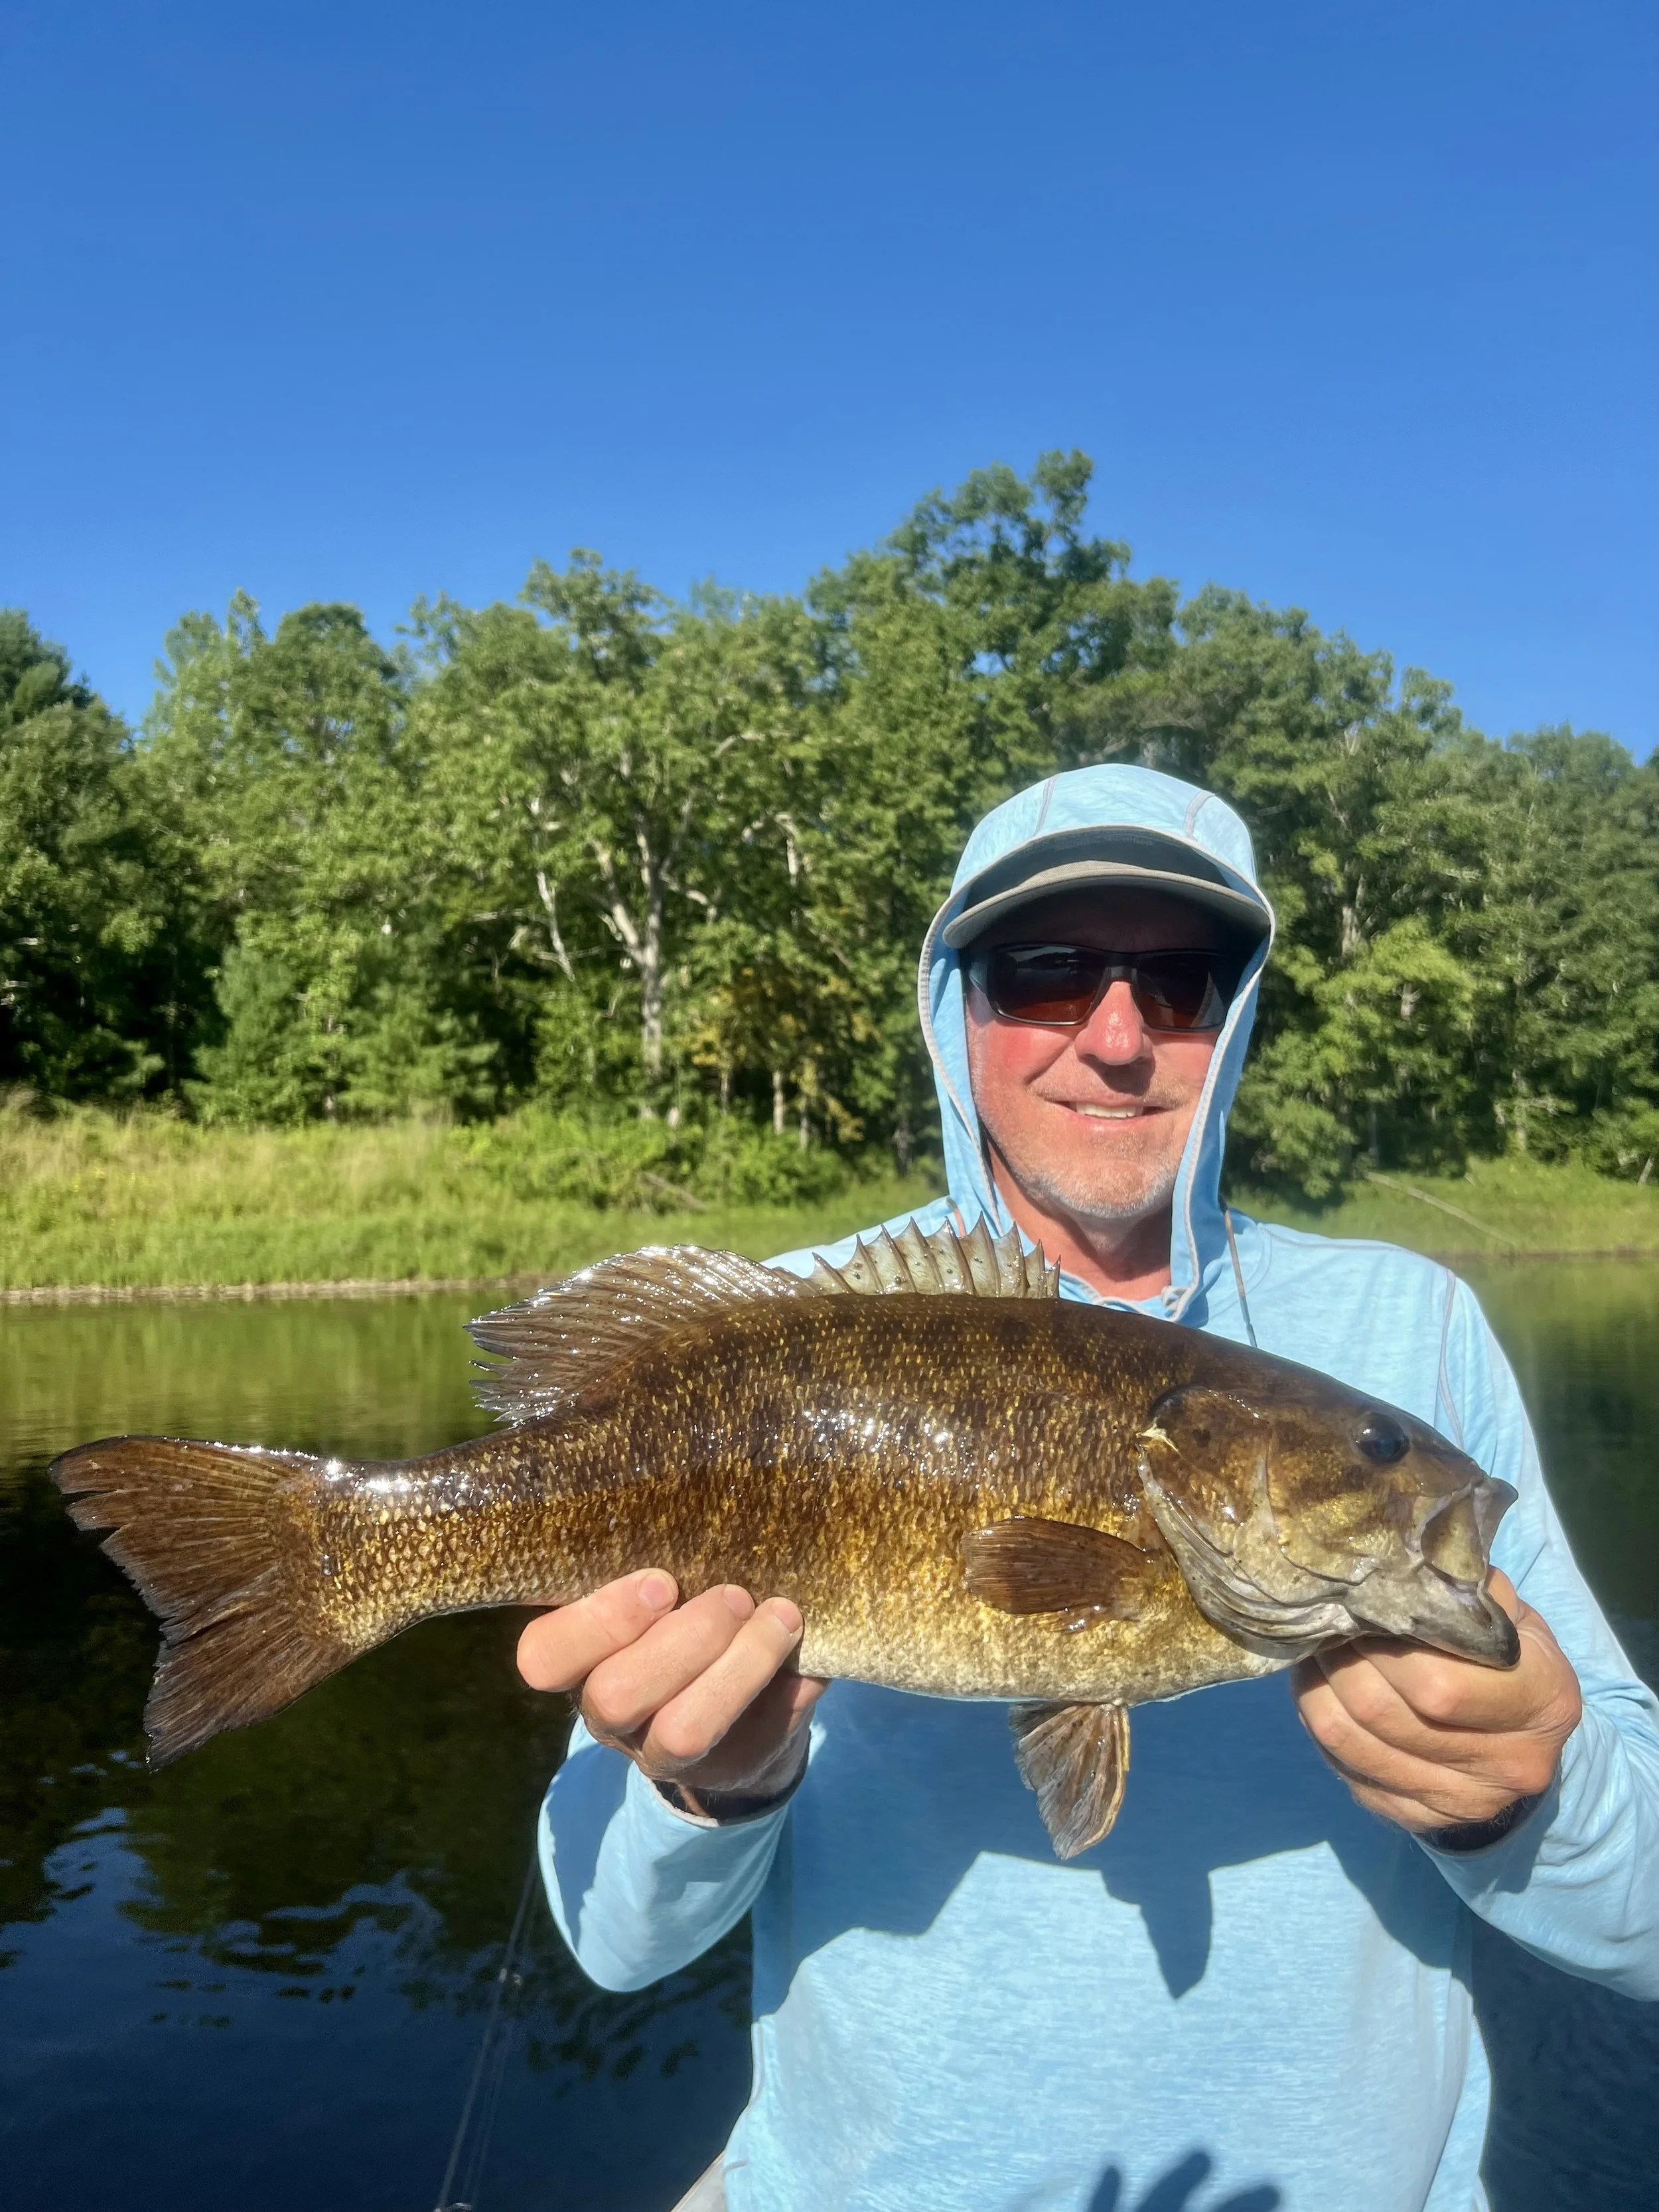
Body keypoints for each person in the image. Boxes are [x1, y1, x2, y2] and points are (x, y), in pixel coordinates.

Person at [520, 765, 1659, 2212]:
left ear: (1233, 1010)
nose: (1113, 1039)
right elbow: (614, 1941)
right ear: (958, 1010)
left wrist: (1520, 1802)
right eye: (1044, 973)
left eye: (1174, 978)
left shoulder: (1411, 1333)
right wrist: (706, 1787)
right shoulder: (786, 1331)